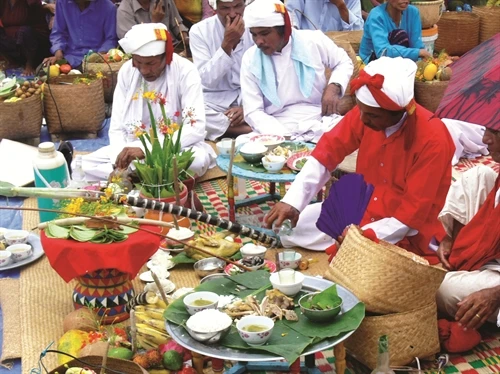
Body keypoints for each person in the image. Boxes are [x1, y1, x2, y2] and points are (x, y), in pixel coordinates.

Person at [265, 56, 454, 264]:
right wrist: (292, 201)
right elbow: (327, 152)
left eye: (372, 116)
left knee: (370, 270)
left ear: (400, 111)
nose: (362, 120)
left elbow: (411, 215)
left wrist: (358, 237)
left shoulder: (433, 139)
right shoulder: (366, 113)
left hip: (404, 230)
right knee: (291, 227)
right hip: (361, 210)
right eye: (360, 110)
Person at [81, 23, 215, 182]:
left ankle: (137, 177)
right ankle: (143, 176)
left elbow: (195, 127)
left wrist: (148, 150)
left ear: (166, 57)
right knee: (86, 164)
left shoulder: (186, 71)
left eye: (150, 63)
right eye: (138, 62)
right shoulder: (126, 71)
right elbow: (117, 127)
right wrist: (120, 161)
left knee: (195, 161)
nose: (144, 70)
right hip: (133, 148)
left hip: (174, 148)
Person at [239, 0, 353, 140]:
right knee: (242, 143)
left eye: (264, 33)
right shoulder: (250, 59)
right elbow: (253, 111)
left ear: (284, 29)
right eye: (254, 34)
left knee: (350, 131)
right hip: (274, 126)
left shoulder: (313, 40)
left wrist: (334, 87)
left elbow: (344, 61)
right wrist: (285, 137)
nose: (259, 41)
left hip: (319, 120)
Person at [436, 124, 500, 329]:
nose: (485, 140)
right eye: (487, 131)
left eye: (496, 134)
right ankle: (458, 252)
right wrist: (449, 237)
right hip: (491, 255)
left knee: (442, 288)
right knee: (478, 175)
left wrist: (494, 295)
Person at [190, 0, 253, 140]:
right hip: (215, 100)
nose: (232, 13)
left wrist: (247, 107)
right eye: (225, 8)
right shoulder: (199, 31)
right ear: (215, 8)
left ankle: (229, 128)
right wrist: (227, 44)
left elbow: (265, 76)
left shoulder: (254, 26)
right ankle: (245, 130)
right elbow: (206, 81)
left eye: (238, 6)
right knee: (191, 112)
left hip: (250, 95)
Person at [44, 0, 117, 67]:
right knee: (44, 71)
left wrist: (98, 56)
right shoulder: (62, 2)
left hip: (96, 59)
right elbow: (58, 33)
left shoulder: (108, 7)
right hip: (69, 58)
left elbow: (111, 39)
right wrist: (58, 52)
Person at [359, 0, 430, 63]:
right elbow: (382, 52)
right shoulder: (376, 15)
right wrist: (417, 53)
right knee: (400, 35)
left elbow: (417, 45)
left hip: (401, 60)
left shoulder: (413, 12)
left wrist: (421, 59)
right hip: (374, 60)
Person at [0, 0, 51, 75]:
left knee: (25, 31)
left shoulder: (30, 2)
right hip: (13, 42)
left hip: (34, 44)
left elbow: (38, 29)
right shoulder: (3, 3)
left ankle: (30, 64)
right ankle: (11, 61)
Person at [116, 0, 189, 49]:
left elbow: (177, 25)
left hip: (173, 47)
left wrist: (185, 39)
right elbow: (131, 43)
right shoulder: (124, 10)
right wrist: (155, 23)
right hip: (147, 55)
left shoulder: (165, 1)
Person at [286, 0, 363, 32]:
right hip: (305, 49)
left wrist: (341, 6)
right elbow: (291, 24)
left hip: (338, 52)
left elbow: (358, 32)